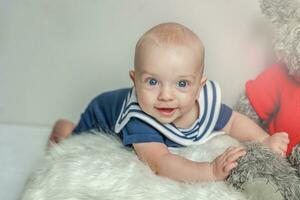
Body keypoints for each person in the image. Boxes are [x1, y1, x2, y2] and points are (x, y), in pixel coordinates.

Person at [49, 22, 289, 183]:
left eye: (182, 84)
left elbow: (234, 122)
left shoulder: (203, 104)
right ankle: (64, 127)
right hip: (100, 114)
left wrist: (263, 140)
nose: (166, 95)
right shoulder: (139, 119)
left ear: (199, 87)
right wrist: (209, 171)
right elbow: (160, 163)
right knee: (71, 140)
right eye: (152, 82)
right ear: (135, 80)